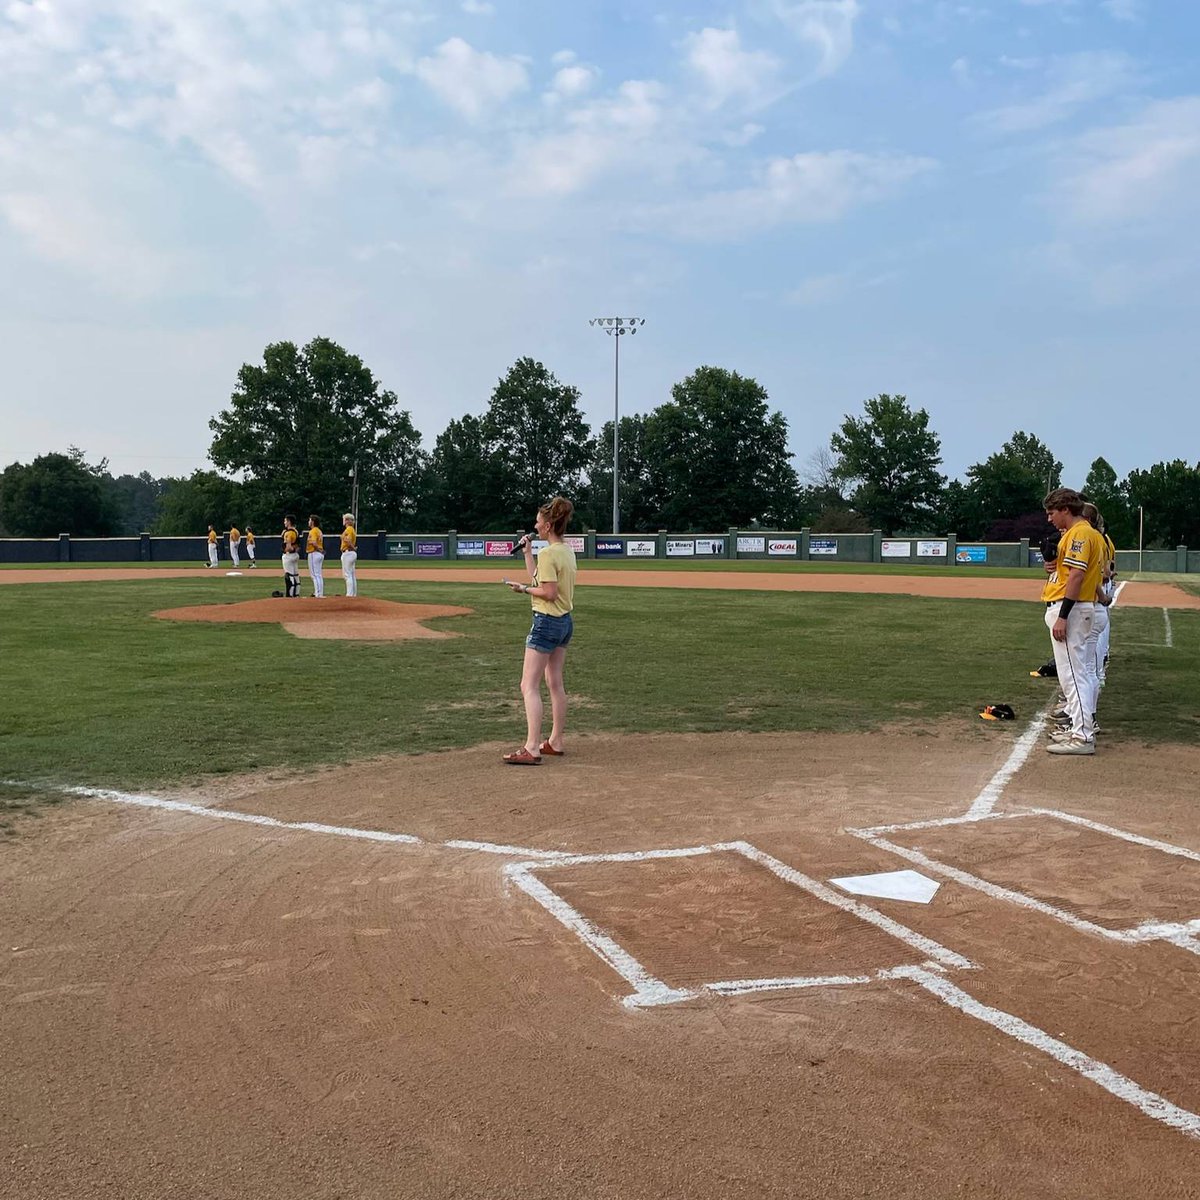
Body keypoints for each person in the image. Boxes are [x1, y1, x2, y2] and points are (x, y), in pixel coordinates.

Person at [502, 496, 577, 765]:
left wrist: (522, 589)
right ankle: (555, 741)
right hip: (564, 622)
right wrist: (526, 553)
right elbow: (541, 579)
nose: (535, 525)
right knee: (554, 683)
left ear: (546, 526)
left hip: (546, 622)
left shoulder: (548, 554)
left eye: (538, 521)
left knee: (528, 685)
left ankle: (532, 747)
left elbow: (547, 591)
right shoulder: (565, 551)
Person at [1041, 488, 1107, 756]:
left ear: (1065, 509)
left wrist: (1063, 615)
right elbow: (1073, 571)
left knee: (1073, 676)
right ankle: (1079, 730)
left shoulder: (1080, 533)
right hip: (1082, 607)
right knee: (1077, 673)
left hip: (1074, 609)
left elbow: (1078, 576)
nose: (1049, 519)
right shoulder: (1087, 534)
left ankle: (1082, 736)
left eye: (1052, 512)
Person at [281, 515, 301, 598]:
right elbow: (298, 546)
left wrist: (287, 550)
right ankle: (296, 593)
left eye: (285, 521)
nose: (284, 522)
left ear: (289, 522)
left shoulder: (288, 533)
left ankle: (290, 594)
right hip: (295, 555)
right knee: (295, 575)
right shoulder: (295, 531)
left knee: (289, 575)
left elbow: (288, 546)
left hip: (289, 555)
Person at [306, 515, 325, 598]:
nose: (308, 522)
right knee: (318, 574)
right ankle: (319, 593)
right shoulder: (319, 531)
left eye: (309, 520)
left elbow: (313, 542)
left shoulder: (313, 531)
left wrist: (318, 549)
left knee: (314, 575)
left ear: (312, 522)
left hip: (314, 553)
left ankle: (318, 594)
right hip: (319, 553)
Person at [340, 512, 358, 598]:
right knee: (351, 574)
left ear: (347, 520)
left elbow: (347, 540)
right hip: (351, 553)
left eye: (344, 519)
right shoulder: (352, 529)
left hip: (348, 552)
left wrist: (353, 547)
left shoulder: (349, 529)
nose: (343, 521)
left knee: (347, 575)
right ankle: (353, 594)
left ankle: (349, 595)